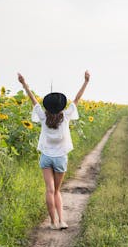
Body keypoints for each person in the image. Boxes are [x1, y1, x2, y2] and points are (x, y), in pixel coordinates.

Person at [18, 71, 90, 230]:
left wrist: (24, 84)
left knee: (49, 190)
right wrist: (86, 81)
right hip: (60, 158)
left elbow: (33, 100)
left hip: (45, 158)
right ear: (61, 106)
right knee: (57, 191)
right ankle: (62, 221)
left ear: (48, 106)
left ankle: (52, 222)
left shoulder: (43, 117)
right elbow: (77, 99)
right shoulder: (65, 116)